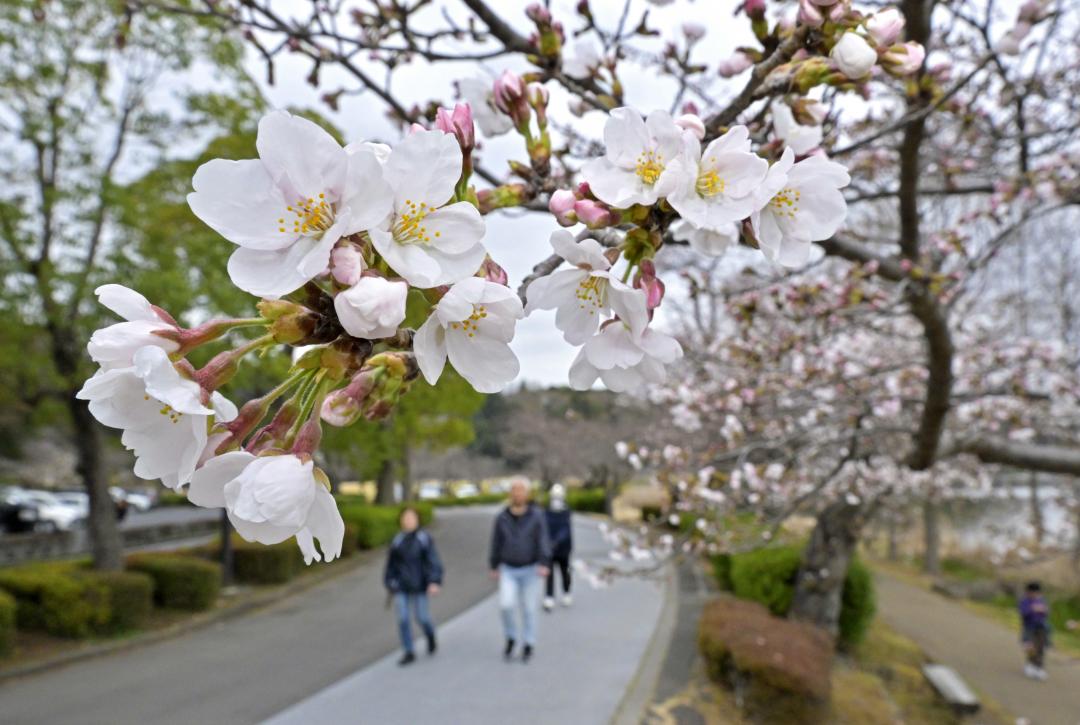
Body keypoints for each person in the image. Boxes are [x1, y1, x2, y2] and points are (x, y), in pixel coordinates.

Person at [489, 478, 551, 662]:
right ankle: (511, 637)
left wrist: (544, 562)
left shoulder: (536, 515)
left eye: (521, 490)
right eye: (514, 490)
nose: (517, 493)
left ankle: (529, 643)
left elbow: (543, 540)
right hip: (509, 568)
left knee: (529, 609)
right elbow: (496, 542)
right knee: (506, 605)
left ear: (527, 493)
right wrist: (494, 564)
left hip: (530, 568)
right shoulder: (502, 517)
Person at [384, 506, 443, 666]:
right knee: (403, 618)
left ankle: (430, 635)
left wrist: (434, 581)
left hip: (420, 585)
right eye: (405, 517)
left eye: (411, 517)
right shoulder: (397, 540)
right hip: (401, 586)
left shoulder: (424, 538)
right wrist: (389, 581)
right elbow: (391, 565)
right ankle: (408, 650)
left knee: (422, 617)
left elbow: (433, 561)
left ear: (417, 520)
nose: (408, 521)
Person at [543, 483, 573, 612]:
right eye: (555, 496)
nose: (556, 499)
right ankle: (549, 596)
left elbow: (566, 530)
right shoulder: (546, 511)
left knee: (564, 571)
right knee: (549, 573)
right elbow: (542, 528)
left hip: (564, 548)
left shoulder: (566, 511)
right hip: (549, 548)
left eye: (559, 496)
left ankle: (566, 592)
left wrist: (556, 540)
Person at [1019, 581, 1050, 680]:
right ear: (1027, 592)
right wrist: (1032, 609)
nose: (1034, 595)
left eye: (1036, 593)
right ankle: (1030, 664)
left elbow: (1046, 612)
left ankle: (1039, 667)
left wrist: (1043, 610)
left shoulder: (1042, 600)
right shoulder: (1024, 601)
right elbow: (1023, 613)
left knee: (1040, 647)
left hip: (1041, 627)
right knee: (1030, 647)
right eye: (1032, 592)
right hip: (1029, 627)